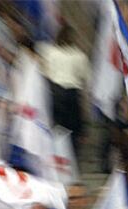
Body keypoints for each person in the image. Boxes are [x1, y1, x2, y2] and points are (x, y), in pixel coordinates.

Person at [39, 24, 90, 155]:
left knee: (56, 131)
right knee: (72, 134)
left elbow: (44, 72)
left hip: (55, 93)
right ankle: (71, 158)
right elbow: (84, 78)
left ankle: (54, 156)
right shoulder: (80, 56)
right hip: (71, 94)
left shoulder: (49, 52)